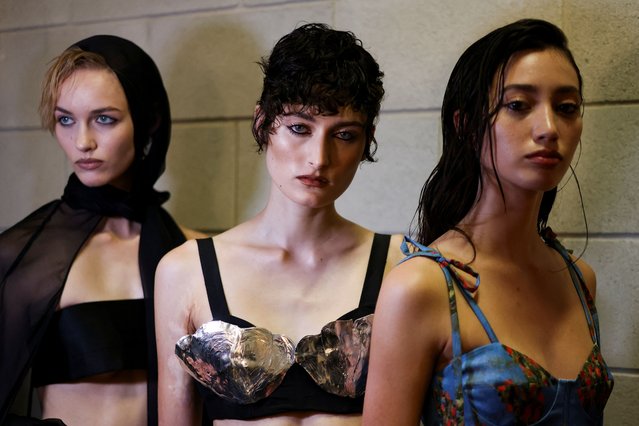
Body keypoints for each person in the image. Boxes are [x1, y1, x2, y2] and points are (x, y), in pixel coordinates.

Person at [362, 19, 614, 425]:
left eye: (566, 108)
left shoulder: (580, 279)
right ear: (465, 126)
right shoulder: (421, 287)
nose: (549, 128)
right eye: (517, 105)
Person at [155, 23, 404, 425]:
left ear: (366, 142)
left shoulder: (401, 264)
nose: (318, 158)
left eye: (343, 135)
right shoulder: (185, 271)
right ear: (262, 123)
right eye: (299, 129)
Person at [0, 35, 204, 425]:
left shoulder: (194, 252)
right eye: (65, 120)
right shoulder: (20, 258)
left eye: (104, 119)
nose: (82, 142)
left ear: (149, 121)